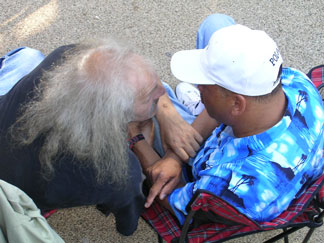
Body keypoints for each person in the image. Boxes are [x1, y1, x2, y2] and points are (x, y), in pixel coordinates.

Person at [128, 14, 324, 225]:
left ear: (237, 105)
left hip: (213, 166)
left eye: (203, 85)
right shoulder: (296, 82)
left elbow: (172, 200)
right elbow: (237, 107)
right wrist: (175, 154)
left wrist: (135, 139)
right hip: (236, 137)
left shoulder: (231, 185)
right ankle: (203, 105)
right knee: (216, 23)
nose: (196, 84)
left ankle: (184, 109)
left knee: (136, 92)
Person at [0, 38, 168, 236]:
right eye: (150, 96)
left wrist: (167, 114)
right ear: (112, 116)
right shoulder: (115, 173)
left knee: (28, 56)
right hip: (15, 198)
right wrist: (128, 227)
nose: (163, 91)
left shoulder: (63, 56)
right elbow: (128, 217)